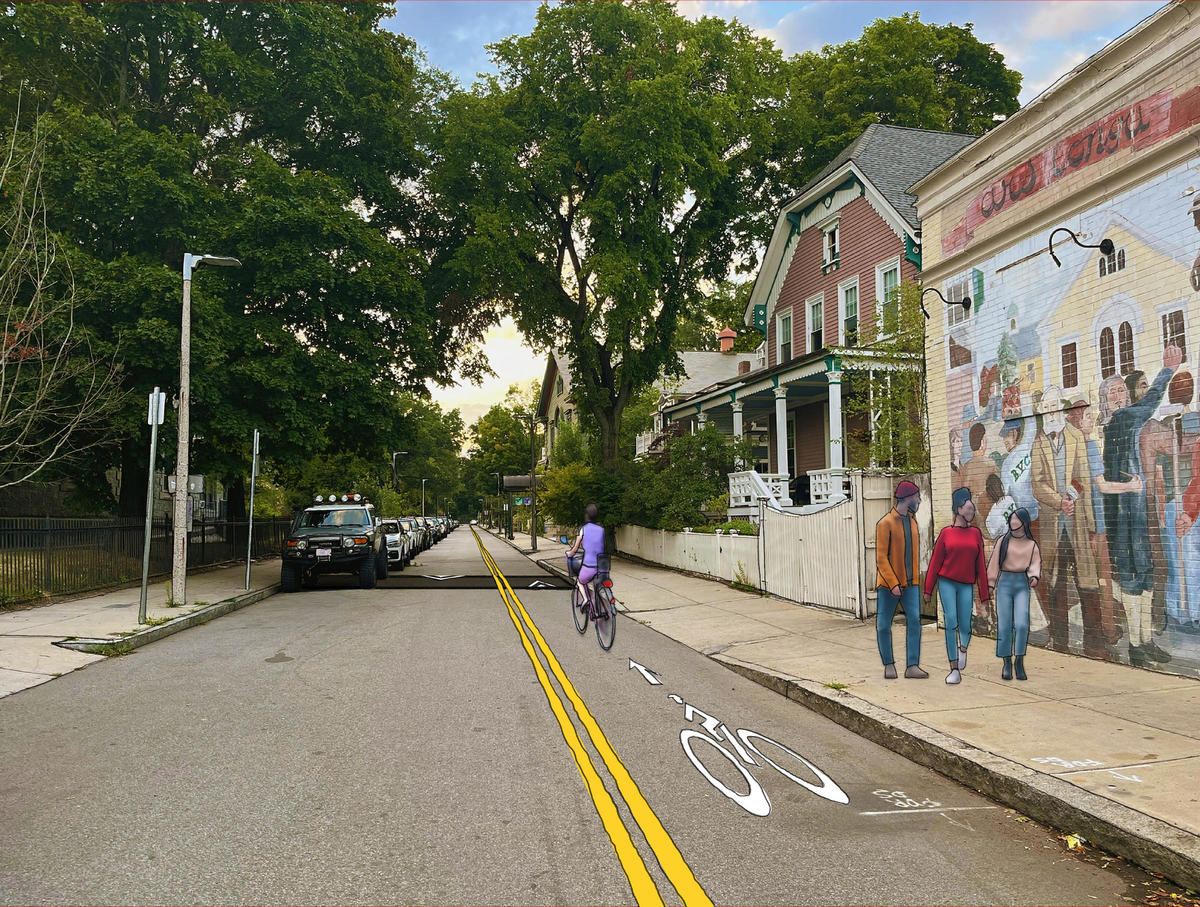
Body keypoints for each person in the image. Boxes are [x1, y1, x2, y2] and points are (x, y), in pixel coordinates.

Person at [1099, 344, 1184, 667]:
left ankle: (1145, 640)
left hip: (1133, 511)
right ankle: (1137, 644)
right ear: (1106, 401)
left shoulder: (1119, 425)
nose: (1120, 396)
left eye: (1122, 390)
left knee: (1145, 573)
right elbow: (1148, 404)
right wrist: (1167, 371)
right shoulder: (1121, 420)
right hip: (1123, 516)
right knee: (1135, 576)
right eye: (1114, 393)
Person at [1030, 385, 1104, 657]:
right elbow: (1036, 484)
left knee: (1088, 582)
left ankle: (1094, 642)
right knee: (1057, 583)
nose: (1051, 412)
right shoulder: (1038, 442)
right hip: (1054, 526)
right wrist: (1058, 501)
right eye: (1046, 409)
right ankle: (1059, 640)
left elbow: (1084, 478)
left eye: (1054, 407)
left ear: (1060, 408)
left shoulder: (1075, 437)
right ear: (1042, 412)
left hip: (1077, 523)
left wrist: (1072, 501)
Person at [1067, 399, 1144, 646]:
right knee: (1105, 579)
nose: (1092, 420)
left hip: (1083, 525)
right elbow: (1102, 485)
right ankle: (1108, 630)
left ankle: (1099, 628)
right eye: (1088, 416)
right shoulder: (1088, 446)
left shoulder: (1072, 449)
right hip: (1096, 525)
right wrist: (1131, 486)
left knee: (1092, 579)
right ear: (1079, 420)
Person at [924, 488, 990, 684]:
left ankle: (963, 650)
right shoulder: (946, 533)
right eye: (966, 506)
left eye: (971, 507)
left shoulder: (975, 534)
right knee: (950, 622)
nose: (970, 510)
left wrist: (985, 594)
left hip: (966, 585)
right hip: (947, 582)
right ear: (958, 509)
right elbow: (935, 563)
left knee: (965, 625)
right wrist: (928, 589)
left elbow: (980, 566)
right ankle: (954, 668)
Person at [874, 480, 929, 680]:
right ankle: (889, 664)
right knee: (883, 624)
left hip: (911, 582)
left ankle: (912, 665)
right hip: (889, 585)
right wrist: (893, 583)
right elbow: (881, 558)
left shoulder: (913, 522)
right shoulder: (885, 523)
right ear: (907, 498)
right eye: (917, 497)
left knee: (915, 621)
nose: (919, 500)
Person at [987, 508, 1041, 680]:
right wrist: (990, 584)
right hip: (1004, 582)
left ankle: (1019, 659)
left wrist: (1034, 576)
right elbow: (994, 563)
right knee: (1004, 624)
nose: (1013, 521)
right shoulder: (1003, 541)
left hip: (1021, 583)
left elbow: (1035, 563)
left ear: (1024, 522)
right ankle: (1006, 662)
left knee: (1022, 623)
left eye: (1016, 519)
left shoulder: (1031, 544)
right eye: (1012, 518)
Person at [957, 423, 999, 528]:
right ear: (982, 442)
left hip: (972, 513)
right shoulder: (990, 464)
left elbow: (965, 490)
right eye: (985, 438)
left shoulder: (965, 467)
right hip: (988, 508)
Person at [567, 502, 605, 617]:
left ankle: (585, 600)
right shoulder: (601, 529)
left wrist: (569, 554)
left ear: (586, 515)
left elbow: (575, 548)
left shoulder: (583, 529)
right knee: (597, 584)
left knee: (580, 581)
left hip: (590, 565)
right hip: (603, 566)